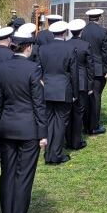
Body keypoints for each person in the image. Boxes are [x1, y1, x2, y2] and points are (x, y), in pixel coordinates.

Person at [0, 32, 46, 213]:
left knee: (7, 174)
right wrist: (42, 133)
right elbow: (38, 103)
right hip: (28, 129)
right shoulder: (33, 69)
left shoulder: (2, 68)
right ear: (28, 47)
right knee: (23, 177)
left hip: (6, 127)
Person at [37, 20, 76, 164]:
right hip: (63, 90)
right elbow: (73, 73)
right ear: (65, 32)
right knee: (60, 124)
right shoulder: (69, 48)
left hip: (47, 89)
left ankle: (49, 153)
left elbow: (38, 70)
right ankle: (56, 154)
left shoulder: (43, 49)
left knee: (49, 122)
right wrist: (75, 93)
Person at [65, 19, 93, 151]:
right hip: (82, 83)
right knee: (78, 113)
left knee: (68, 112)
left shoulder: (66, 44)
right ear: (81, 31)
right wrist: (90, 86)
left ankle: (68, 139)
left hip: (68, 82)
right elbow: (90, 67)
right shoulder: (86, 45)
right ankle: (76, 141)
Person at [81, 9, 107, 135]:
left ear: (89, 18)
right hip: (98, 70)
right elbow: (106, 53)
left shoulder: (83, 32)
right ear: (99, 18)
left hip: (86, 68)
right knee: (96, 97)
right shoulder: (103, 32)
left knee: (87, 97)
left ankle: (85, 124)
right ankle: (93, 126)